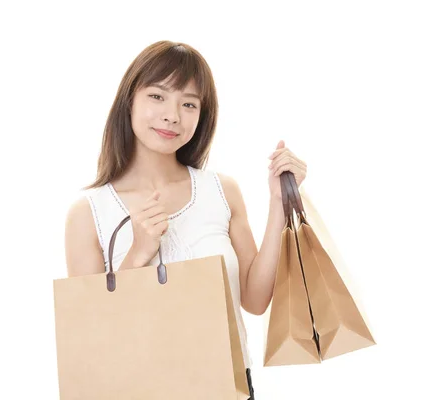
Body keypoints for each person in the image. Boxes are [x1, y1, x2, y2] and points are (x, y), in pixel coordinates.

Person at [64, 40, 308, 399]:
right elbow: (93, 336)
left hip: (226, 386)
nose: (172, 115)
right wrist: (138, 253)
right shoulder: (89, 213)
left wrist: (277, 204)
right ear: (129, 100)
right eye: (158, 96)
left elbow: (255, 300)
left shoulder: (221, 191)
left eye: (188, 103)